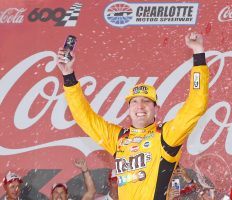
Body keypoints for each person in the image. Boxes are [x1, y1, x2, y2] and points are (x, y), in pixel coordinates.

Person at [56, 32, 209, 200]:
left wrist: (198, 53)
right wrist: (68, 75)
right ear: (128, 108)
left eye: (146, 101)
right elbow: (84, 117)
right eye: (134, 102)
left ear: (156, 109)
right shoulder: (118, 138)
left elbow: (196, 105)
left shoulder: (166, 135)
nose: (140, 106)